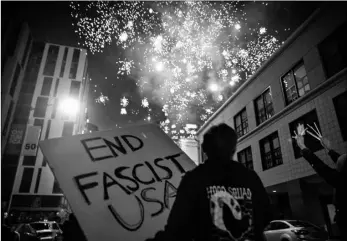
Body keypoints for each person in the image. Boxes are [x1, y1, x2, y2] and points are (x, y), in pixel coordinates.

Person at [147, 123, 273, 241]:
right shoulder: (250, 177)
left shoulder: (194, 179)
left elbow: (177, 229)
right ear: (233, 148)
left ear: (204, 149)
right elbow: (267, 214)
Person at [292, 124, 347, 241]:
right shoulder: (343, 174)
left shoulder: (342, 181)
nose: (336, 162)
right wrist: (329, 149)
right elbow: (340, 160)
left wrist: (302, 146)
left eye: (337, 165)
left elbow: (321, 167)